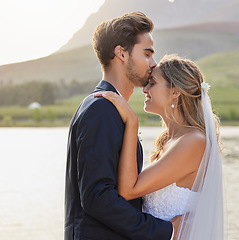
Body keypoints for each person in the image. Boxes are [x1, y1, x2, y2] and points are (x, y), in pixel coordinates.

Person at [64, 12, 176, 240]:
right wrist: (166, 231)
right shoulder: (100, 109)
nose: (153, 63)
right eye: (147, 54)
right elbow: (98, 198)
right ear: (121, 53)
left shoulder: (111, 108)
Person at [94, 54, 225, 239]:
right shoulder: (168, 140)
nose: (145, 89)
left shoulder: (194, 141)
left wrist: (132, 122)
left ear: (175, 92)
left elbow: (128, 190)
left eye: (152, 83)